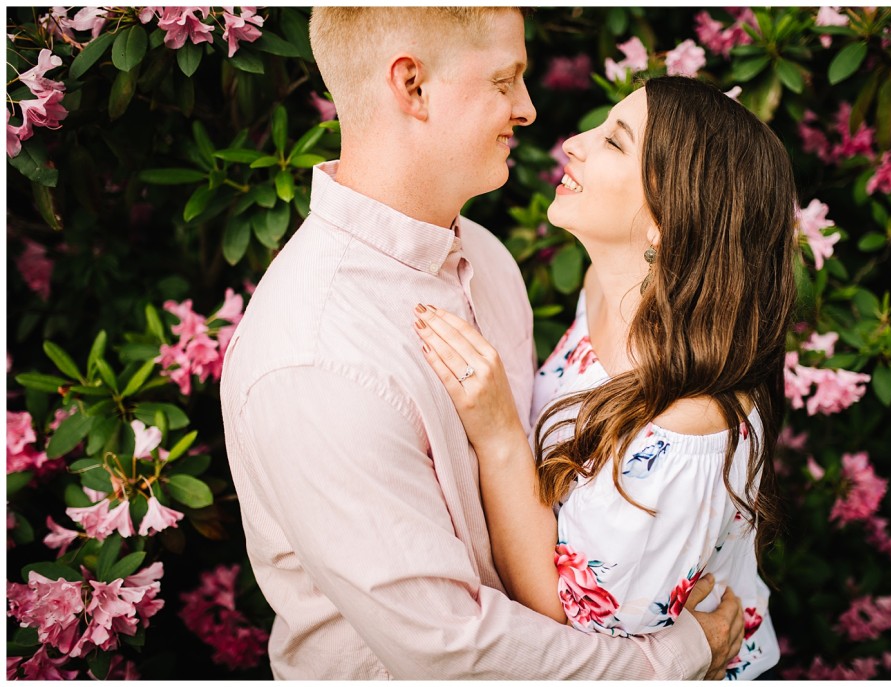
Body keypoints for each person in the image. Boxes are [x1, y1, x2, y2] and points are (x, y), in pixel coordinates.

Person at [221, 8, 744, 680]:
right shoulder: (316, 359)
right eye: (505, 80)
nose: (527, 109)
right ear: (413, 87)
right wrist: (679, 655)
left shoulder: (489, 261)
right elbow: (453, 651)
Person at [414, 76, 796, 680]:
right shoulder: (608, 290)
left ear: (668, 220)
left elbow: (571, 631)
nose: (572, 142)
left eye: (615, 142)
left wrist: (498, 435)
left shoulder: (684, 427)